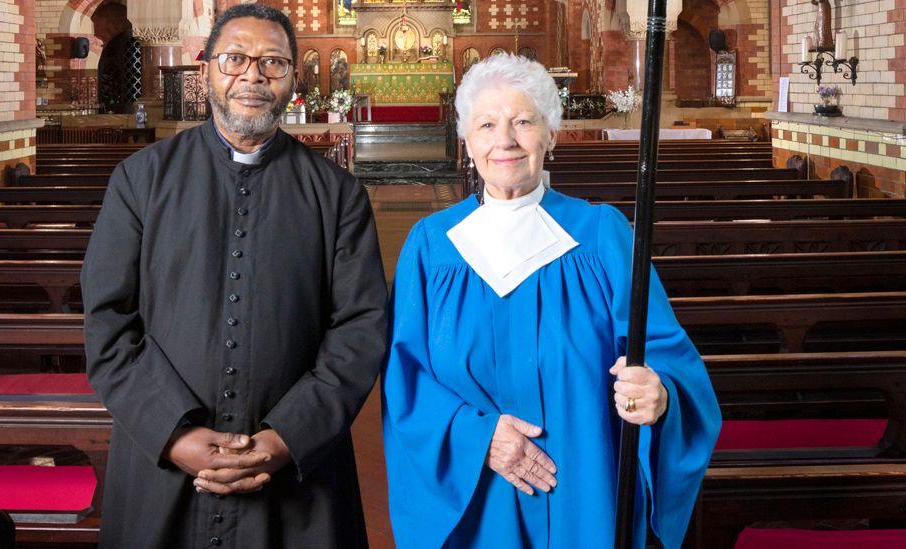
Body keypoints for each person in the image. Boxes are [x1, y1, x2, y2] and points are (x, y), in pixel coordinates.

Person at [382, 53, 720, 548]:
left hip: (585, 492)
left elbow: (664, 354)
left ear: (552, 135)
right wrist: (478, 439)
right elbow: (405, 379)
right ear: (467, 141)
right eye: (487, 124)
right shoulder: (432, 247)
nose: (506, 140)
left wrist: (660, 393)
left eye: (524, 121)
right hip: (480, 496)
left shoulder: (601, 236)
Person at [82, 4, 387, 547]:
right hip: (164, 464)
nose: (253, 75)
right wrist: (174, 436)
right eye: (235, 59)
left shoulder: (338, 195)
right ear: (207, 70)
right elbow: (108, 320)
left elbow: (360, 328)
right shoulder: (140, 180)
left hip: (296, 474)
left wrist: (286, 437)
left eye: (273, 62)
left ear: (294, 76)